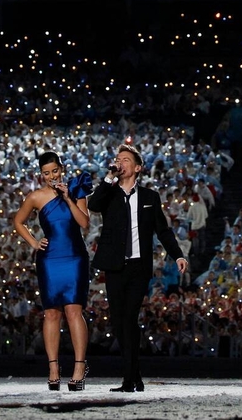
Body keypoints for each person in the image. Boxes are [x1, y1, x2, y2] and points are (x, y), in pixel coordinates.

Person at [87, 143, 188, 392]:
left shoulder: (150, 197)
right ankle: (135, 376)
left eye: (125, 160)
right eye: (117, 159)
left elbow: (162, 230)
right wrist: (109, 177)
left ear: (138, 167)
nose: (120, 162)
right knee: (119, 322)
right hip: (114, 266)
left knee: (129, 318)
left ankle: (129, 379)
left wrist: (177, 255)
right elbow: (94, 205)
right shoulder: (109, 193)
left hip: (138, 267)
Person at [13, 151, 93, 391]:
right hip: (49, 259)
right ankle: (53, 368)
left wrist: (68, 198)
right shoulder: (36, 197)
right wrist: (34, 243)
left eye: (55, 171)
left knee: (73, 311)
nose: (51, 176)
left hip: (75, 257)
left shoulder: (76, 189)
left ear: (62, 168)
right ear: (41, 174)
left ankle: (79, 367)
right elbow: (18, 221)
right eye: (46, 173)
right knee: (51, 314)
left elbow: (85, 223)